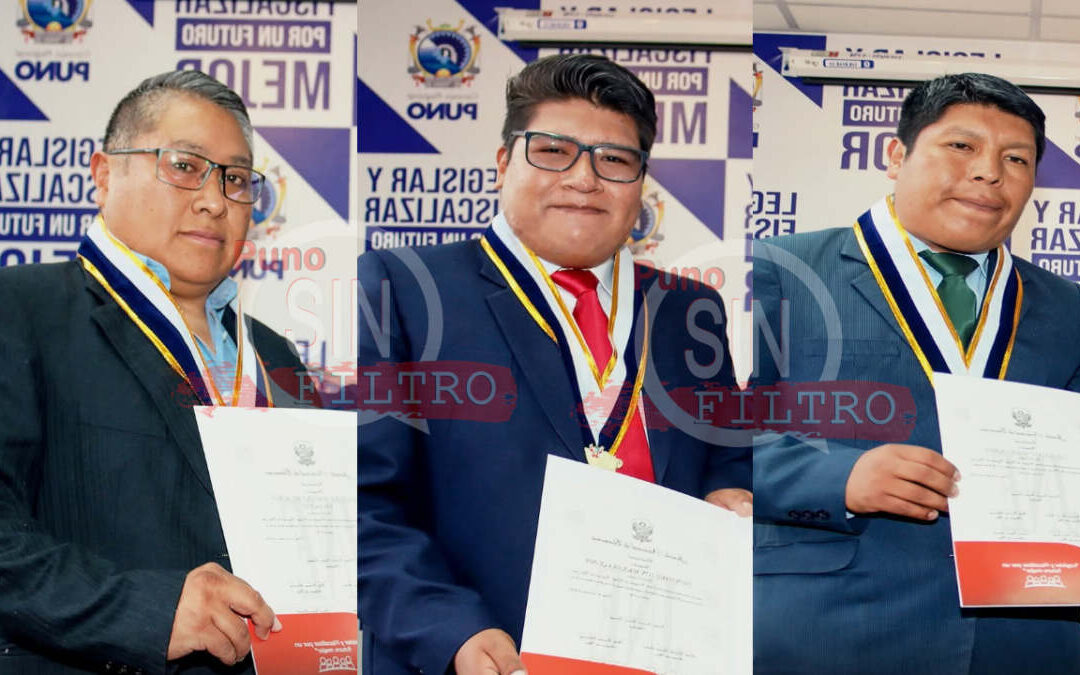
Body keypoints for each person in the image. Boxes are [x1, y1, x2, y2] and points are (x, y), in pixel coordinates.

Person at [358, 53, 751, 675]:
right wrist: (451, 632)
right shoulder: (404, 288)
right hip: (479, 658)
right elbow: (362, 502)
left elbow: (727, 456)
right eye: (553, 152)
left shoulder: (687, 310)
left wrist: (732, 494)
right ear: (502, 163)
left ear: (641, 182)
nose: (584, 179)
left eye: (613, 160)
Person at [752, 72, 1080, 673]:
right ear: (896, 155)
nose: (989, 172)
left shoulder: (1070, 308)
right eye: (961, 146)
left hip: (1029, 637)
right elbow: (708, 444)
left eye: (1016, 159)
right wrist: (838, 477)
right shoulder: (783, 269)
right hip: (834, 631)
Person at [0, 70, 315, 673]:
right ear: (103, 174)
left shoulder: (275, 356)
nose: (214, 199)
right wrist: (146, 611)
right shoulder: (20, 310)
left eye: (234, 178)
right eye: (185, 166)